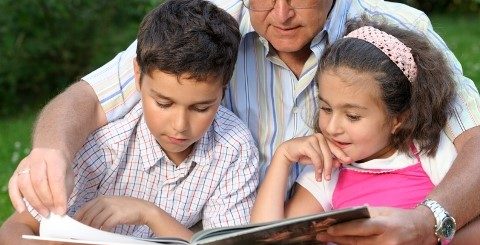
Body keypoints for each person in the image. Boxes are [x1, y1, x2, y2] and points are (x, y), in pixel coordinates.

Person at [6, 0, 480, 244]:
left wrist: (430, 220)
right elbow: (88, 99)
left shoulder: (389, 30)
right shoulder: (209, 26)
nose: (281, 13)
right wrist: (51, 150)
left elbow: (475, 141)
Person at [0, 0, 259, 243]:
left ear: (224, 87)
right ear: (137, 75)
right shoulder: (104, 147)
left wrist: (149, 214)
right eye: (164, 103)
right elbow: (16, 228)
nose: (180, 125)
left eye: (201, 107)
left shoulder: (233, 147)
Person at [250, 18, 479, 244]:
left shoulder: (430, 156)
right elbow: (268, 239)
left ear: (398, 119)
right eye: (326, 108)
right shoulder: (326, 171)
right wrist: (283, 157)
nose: (331, 127)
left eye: (353, 116)